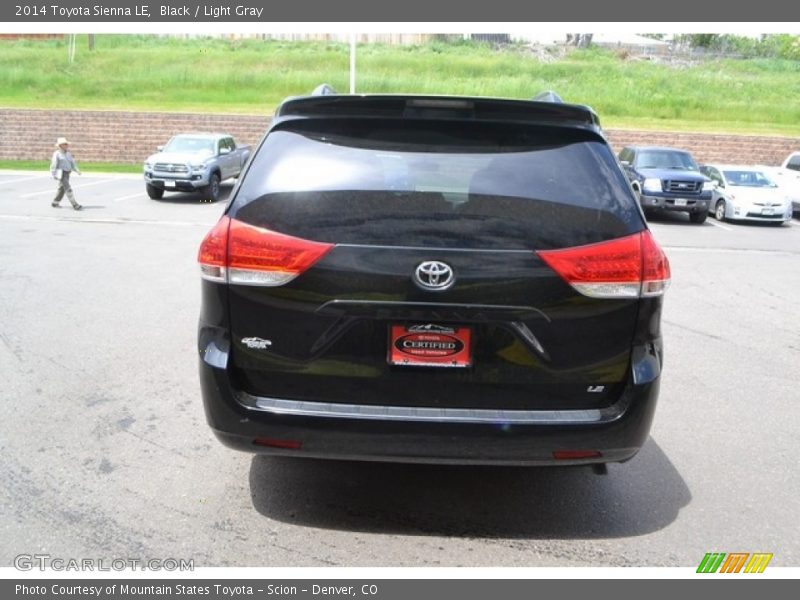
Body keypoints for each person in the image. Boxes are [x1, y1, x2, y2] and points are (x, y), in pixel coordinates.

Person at [50, 137, 82, 210]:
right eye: (65, 144)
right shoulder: (57, 154)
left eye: (66, 144)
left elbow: (72, 163)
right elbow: (54, 164)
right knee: (68, 188)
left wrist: (77, 170)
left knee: (62, 188)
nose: (67, 145)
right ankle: (75, 204)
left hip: (67, 173)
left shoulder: (68, 154)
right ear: (60, 145)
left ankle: (55, 202)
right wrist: (53, 173)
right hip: (61, 173)